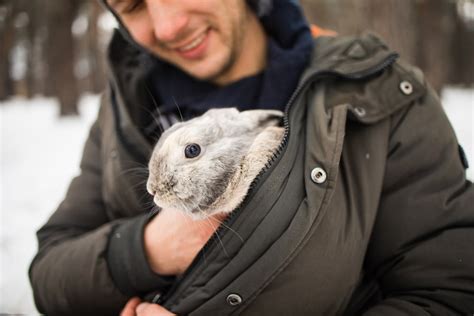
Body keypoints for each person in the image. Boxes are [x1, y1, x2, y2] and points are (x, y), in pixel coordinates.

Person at [28, 0, 474, 315]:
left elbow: (449, 293)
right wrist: (147, 250)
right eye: (132, 5)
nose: (167, 25)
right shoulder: (122, 108)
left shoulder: (378, 93)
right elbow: (50, 276)